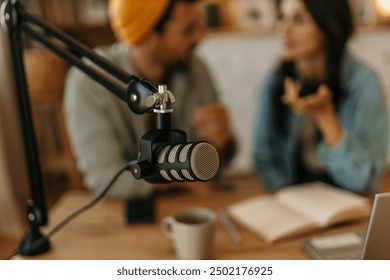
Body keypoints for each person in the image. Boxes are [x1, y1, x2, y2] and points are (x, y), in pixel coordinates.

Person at [64, 0, 235, 198]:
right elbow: (104, 179)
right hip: (129, 213)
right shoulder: (90, 81)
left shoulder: (196, 69)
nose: (201, 35)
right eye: (188, 30)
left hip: (191, 207)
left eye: (199, 24)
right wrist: (184, 182)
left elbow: (216, 163)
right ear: (146, 37)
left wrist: (222, 141)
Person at [252, 0, 388, 193]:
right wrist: (287, 197)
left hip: (351, 203)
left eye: (299, 19)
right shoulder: (276, 80)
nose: (284, 28)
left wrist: (326, 116)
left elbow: (362, 179)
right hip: (294, 203)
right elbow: (264, 156)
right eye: (283, 17)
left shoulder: (364, 84)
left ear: (329, 25)